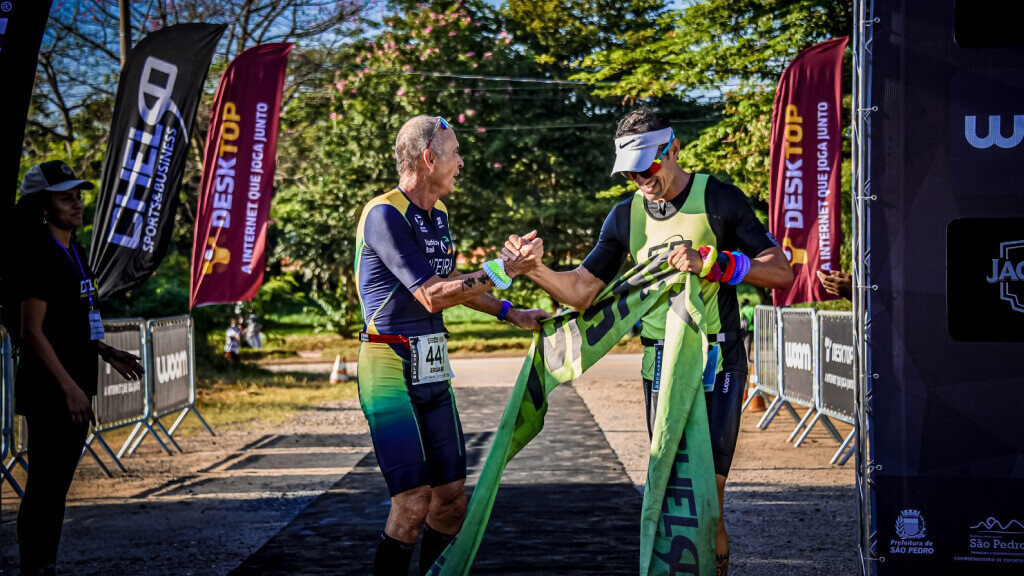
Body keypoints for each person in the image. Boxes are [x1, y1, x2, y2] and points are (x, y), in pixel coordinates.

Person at [504, 108, 793, 576]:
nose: (640, 178)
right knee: (673, 485)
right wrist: (533, 269)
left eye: (648, 165)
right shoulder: (624, 218)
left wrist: (716, 264)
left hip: (717, 360)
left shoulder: (718, 199)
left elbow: (780, 271)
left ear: (673, 149)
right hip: (659, 365)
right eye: (631, 170)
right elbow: (581, 291)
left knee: (709, 494)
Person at [356, 115, 549, 575]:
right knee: (412, 502)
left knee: (451, 502)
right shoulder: (384, 213)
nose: (461, 162)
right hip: (387, 361)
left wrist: (511, 312)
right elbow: (429, 294)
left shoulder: (438, 214)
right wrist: (502, 269)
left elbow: (453, 284)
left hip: (433, 363)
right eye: (455, 152)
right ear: (428, 158)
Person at [12, 160, 145, 576]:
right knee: (45, 487)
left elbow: (72, 320)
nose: (77, 204)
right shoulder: (37, 253)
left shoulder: (75, 250)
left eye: (78, 196)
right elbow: (31, 332)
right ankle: (34, 567)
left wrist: (106, 351)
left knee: (59, 486)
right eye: (65, 197)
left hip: (76, 383)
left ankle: (46, 563)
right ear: (43, 206)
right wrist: (69, 387)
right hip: (52, 388)